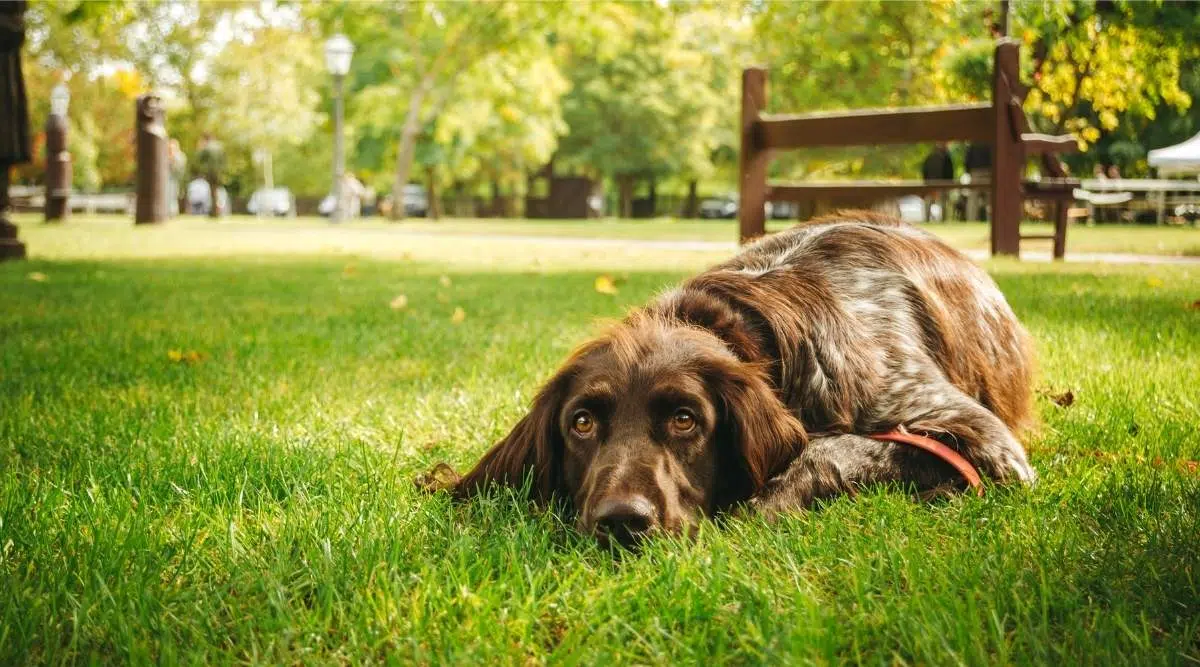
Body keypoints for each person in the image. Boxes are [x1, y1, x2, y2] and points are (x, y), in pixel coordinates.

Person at [921, 142, 955, 222]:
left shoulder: (929, 157)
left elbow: (924, 171)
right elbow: (949, 172)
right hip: (941, 183)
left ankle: (927, 219)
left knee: (929, 202)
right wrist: (949, 183)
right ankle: (943, 219)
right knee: (943, 202)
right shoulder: (946, 158)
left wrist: (926, 181)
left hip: (930, 182)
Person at [963, 143, 992, 222]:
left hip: (975, 172)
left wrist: (968, 171)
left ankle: (971, 220)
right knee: (990, 200)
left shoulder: (973, 143)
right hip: (988, 172)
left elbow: (967, 160)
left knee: (973, 199)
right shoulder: (991, 141)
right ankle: (991, 220)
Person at [167, 139, 186, 217]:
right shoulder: (167, 156)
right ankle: (168, 212)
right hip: (168, 180)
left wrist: (172, 159)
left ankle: (172, 212)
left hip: (175, 179)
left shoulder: (180, 156)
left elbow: (179, 169)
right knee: (168, 196)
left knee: (173, 195)